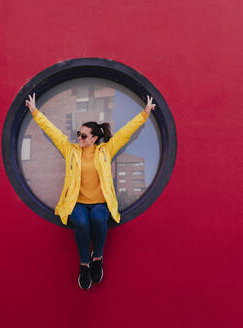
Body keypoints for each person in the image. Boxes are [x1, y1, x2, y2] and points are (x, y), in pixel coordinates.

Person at [25, 93, 156, 290]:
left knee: (97, 218)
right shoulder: (71, 151)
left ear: (94, 138)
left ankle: (98, 258)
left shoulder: (105, 151)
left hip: (100, 203)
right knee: (81, 222)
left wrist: (144, 114)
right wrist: (35, 112)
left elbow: (125, 134)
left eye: (83, 135)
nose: (79, 138)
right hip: (77, 202)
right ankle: (85, 264)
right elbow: (52, 131)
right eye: (78, 134)